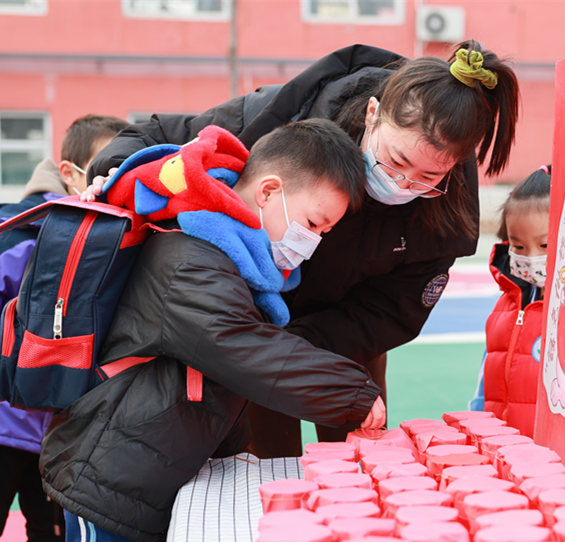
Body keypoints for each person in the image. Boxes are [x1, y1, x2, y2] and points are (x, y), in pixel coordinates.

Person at [39, 119, 385, 542]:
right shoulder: (192, 260)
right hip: (109, 475)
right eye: (313, 223)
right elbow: (245, 350)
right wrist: (356, 395)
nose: (312, 242)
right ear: (270, 191)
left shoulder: (228, 259)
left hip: (146, 466)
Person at [87, 40, 520, 456]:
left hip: (348, 339)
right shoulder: (288, 116)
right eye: (397, 161)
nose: (403, 184)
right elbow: (164, 133)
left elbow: (394, 311)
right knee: (271, 464)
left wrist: (299, 346)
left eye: (428, 178)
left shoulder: (446, 208)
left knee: (360, 453)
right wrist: (111, 169)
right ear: (373, 114)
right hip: (255, 328)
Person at [0, 113, 129, 542]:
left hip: (61, 426)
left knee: (54, 534)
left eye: (126, 166)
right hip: (8, 419)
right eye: (107, 166)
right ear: (73, 173)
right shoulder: (34, 232)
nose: (117, 178)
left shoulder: (116, 237)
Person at [469, 165, 551, 437]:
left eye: (545, 246)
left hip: (549, 459)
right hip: (502, 449)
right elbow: (485, 380)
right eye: (518, 246)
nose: (530, 256)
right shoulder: (505, 307)